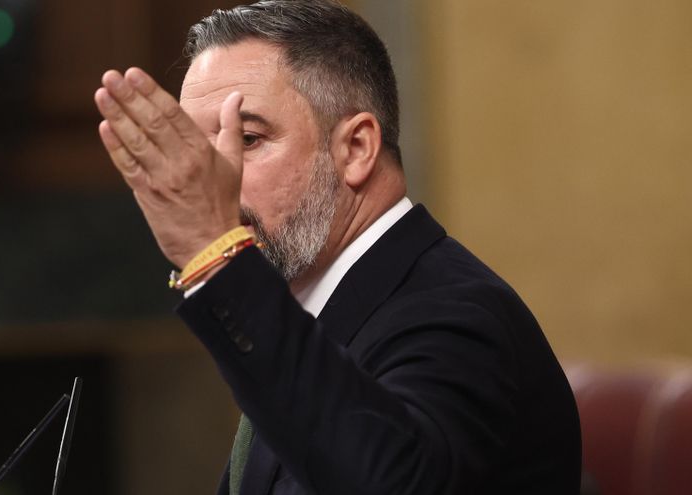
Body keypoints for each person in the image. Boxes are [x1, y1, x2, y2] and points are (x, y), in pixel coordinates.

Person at [94, 1, 581, 493]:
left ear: (356, 148)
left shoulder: (456, 315)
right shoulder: (315, 318)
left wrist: (216, 255)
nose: (218, 179)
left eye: (248, 138)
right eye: (203, 154)